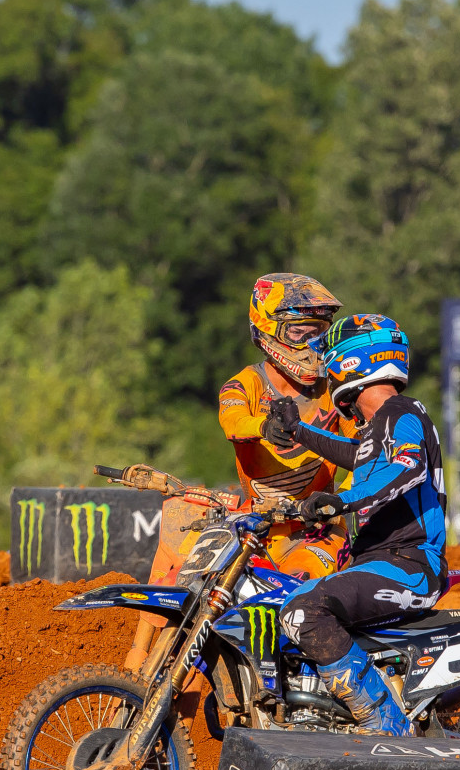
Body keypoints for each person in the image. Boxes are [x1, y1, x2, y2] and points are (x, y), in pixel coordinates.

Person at [122, 273, 350, 675]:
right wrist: (263, 426)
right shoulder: (245, 383)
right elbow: (232, 420)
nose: (313, 344)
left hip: (315, 527)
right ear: (268, 332)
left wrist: (345, 501)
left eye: (320, 332)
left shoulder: (337, 390)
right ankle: (135, 665)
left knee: (299, 603)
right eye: (300, 331)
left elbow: (360, 454)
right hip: (257, 522)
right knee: (179, 543)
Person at [261, 314, 446, 735]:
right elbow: (355, 453)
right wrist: (297, 430)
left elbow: (406, 468)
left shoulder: (402, 413)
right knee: (280, 606)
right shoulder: (381, 427)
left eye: (330, 351)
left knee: (304, 611)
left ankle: (385, 724)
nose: (323, 361)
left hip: (409, 564)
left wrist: (337, 501)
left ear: (352, 360)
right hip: (380, 562)